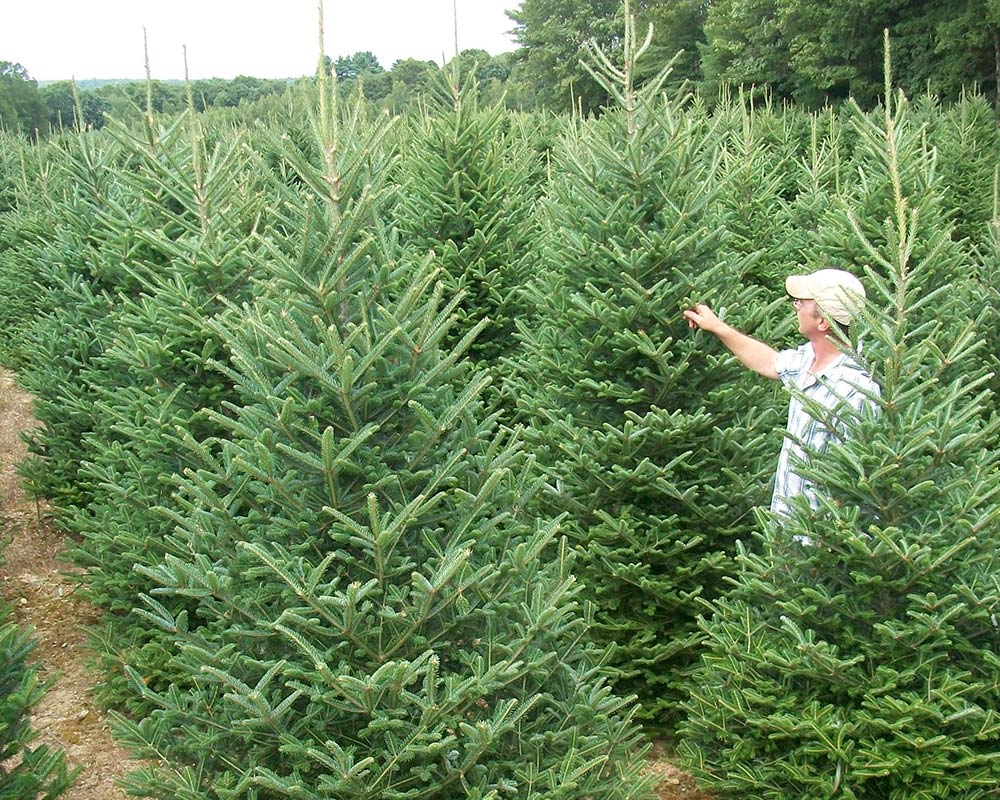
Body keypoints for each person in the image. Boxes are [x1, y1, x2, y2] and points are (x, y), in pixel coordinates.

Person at [683, 268, 880, 519]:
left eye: (802, 302)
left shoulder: (856, 389)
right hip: (787, 530)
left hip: (824, 540)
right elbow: (770, 362)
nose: (795, 306)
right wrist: (718, 327)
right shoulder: (809, 358)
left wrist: (832, 540)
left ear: (823, 322)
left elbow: (859, 476)